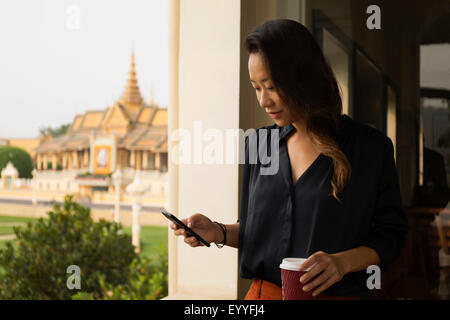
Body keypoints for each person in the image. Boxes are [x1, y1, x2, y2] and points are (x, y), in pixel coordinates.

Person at [170, 19, 410, 300]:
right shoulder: (258, 144)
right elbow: (259, 230)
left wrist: (342, 263)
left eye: (271, 87)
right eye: (256, 88)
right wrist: (218, 231)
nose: (263, 101)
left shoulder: (369, 148)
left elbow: (391, 236)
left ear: (303, 78)